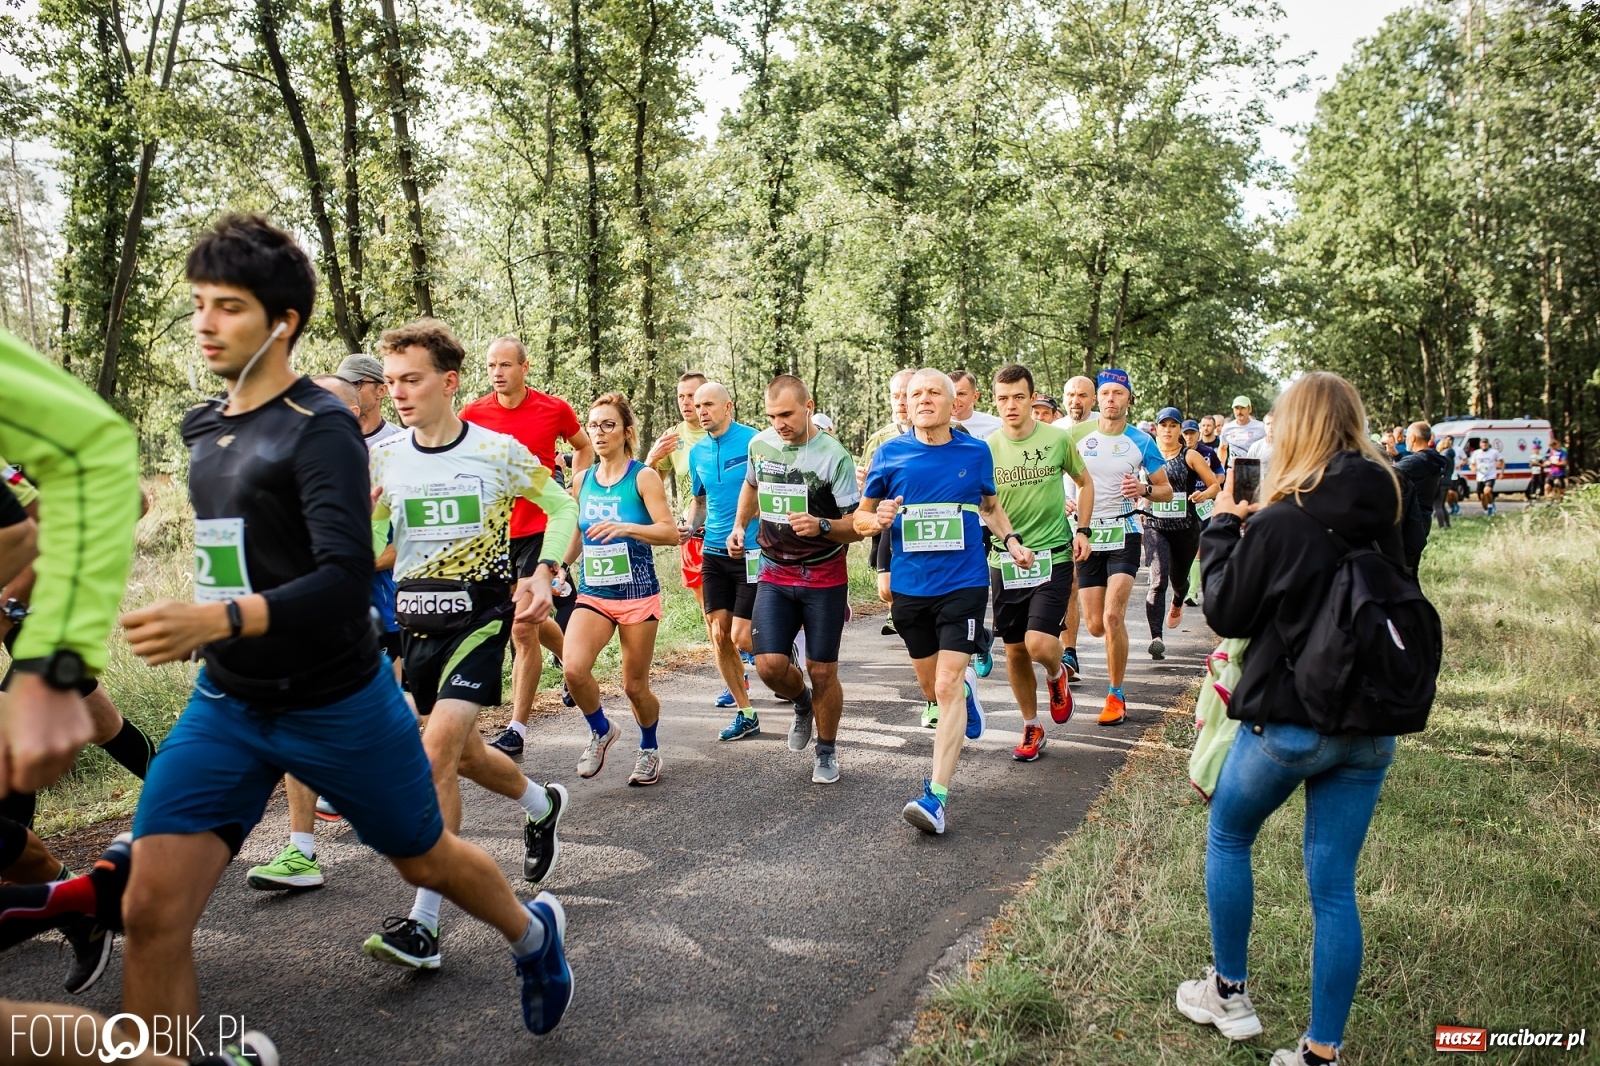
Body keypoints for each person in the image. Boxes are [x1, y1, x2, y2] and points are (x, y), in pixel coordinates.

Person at [116, 217, 573, 1040]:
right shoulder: (201, 426)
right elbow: (269, 552)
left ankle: (531, 934)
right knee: (150, 910)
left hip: (339, 693)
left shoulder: (319, 427)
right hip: (228, 697)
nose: (203, 324)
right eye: (198, 306)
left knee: (422, 847)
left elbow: (339, 581)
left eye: (227, 307)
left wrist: (541, 570)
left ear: (281, 322)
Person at [1178, 371, 1404, 1066]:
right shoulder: (1393, 502)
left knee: (1230, 835)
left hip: (1292, 721)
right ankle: (1321, 1052)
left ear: (1296, 428)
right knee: (1334, 884)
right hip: (1371, 723)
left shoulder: (1282, 517)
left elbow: (1227, 611)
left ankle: (1228, 993)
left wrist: (1223, 523)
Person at [363, 317, 577, 972]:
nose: (398, 392)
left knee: (434, 758)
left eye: (412, 379)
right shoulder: (383, 458)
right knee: (466, 757)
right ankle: (542, 805)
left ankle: (424, 925)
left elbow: (563, 507)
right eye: (392, 380)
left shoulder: (494, 450)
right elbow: (373, 548)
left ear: (448, 382)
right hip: (414, 626)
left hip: (479, 622)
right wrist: (362, 535)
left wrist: (541, 572)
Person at [242, 373, 401, 891]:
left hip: (383, 610)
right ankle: (301, 850)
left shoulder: (394, 459)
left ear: (356, 412)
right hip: (310, 619)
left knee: (395, 733)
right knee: (297, 721)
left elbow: (412, 542)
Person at [855, 369, 1030, 833]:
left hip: (964, 585)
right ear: (906, 405)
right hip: (911, 591)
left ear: (954, 404)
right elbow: (860, 519)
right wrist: (877, 520)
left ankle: (936, 797)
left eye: (935, 392)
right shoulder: (889, 455)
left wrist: (1010, 541)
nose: (924, 399)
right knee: (934, 688)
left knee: (948, 686)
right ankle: (966, 695)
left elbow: (990, 507)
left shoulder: (975, 452)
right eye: (916, 394)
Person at [459, 336, 594, 757]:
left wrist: (576, 488)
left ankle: (516, 729)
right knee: (528, 621)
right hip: (494, 534)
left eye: (505, 365)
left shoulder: (554, 409)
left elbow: (584, 446)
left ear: (524, 367)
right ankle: (570, 661)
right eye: (490, 366)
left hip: (541, 529)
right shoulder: (473, 413)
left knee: (521, 626)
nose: (497, 373)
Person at [728, 375, 864, 784]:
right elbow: (751, 487)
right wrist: (739, 526)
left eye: (786, 414)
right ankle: (801, 702)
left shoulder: (833, 456)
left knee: (822, 670)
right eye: (772, 416)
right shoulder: (760, 445)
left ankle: (826, 751)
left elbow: (856, 525)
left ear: (809, 405)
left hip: (823, 575)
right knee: (768, 665)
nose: (779, 423)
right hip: (773, 570)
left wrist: (822, 525)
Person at [559, 393, 680, 786]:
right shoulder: (582, 480)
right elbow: (579, 534)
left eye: (608, 424)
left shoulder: (642, 476)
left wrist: (627, 528)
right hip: (594, 593)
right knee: (574, 670)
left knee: (634, 686)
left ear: (627, 432)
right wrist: (560, 566)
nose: (598, 432)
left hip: (637, 594)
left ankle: (648, 749)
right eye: (593, 425)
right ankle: (601, 729)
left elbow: (669, 533)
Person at [986, 365, 1089, 762]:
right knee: (1013, 652)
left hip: (1053, 554)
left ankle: (1055, 673)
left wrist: (1083, 530)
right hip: (1006, 559)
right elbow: (985, 504)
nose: (1010, 405)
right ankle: (1031, 724)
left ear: (1032, 399)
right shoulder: (988, 448)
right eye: (1003, 398)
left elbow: (1085, 483)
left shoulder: (1057, 439)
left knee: (1038, 644)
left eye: (1018, 397)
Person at [1067, 368, 1173, 726]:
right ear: (1097, 399)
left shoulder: (1142, 442)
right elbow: (1059, 476)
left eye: (1119, 393)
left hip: (1124, 531)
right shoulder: (1077, 435)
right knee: (1096, 625)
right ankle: (1111, 677)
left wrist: (1143, 490)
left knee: (1114, 616)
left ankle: (1115, 693)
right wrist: (1064, 501)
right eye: (1106, 393)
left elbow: (1166, 490)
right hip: (1086, 534)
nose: (1111, 399)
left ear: (1129, 399)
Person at [688, 382, 764, 740]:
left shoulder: (754, 442)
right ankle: (746, 712)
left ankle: (784, 663)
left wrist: (744, 526)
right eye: (696, 404)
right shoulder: (698, 452)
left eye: (708, 404)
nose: (701, 410)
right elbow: (700, 501)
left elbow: (772, 494)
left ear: (728, 407)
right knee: (720, 635)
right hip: (714, 553)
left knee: (743, 637)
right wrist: (688, 526)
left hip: (752, 550)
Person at [1144, 407, 1221, 659]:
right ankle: (1156, 638)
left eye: (1173, 425)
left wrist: (1204, 494)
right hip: (1155, 526)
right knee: (1157, 580)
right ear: (1157, 428)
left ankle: (1178, 600)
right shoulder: (1146, 453)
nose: (1168, 430)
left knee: (1178, 581)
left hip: (1186, 528)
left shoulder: (1190, 456)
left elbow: (1214, 485)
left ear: (1179, 430)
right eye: (1163, 425)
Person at [646, 371, 710, 603]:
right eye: (680, 396)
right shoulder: (672, 436)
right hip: (692, 531)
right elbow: (649, 486)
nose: (685, 402)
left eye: (691, 395)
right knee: (707, 608)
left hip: (726, 529)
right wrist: (652, 459)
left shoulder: (722, 432)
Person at [860, 370, 914, 635]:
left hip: (929, 521)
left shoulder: (947, 432)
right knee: (886, 589)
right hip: (891, 522)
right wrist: (861, 481)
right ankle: (899, 613)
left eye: (906, 395)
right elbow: (863, 486)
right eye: (896, 396)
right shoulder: (880, 439)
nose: (901, 401)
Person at [1057, 374, 1096, 680]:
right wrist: (1059, 499)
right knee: (1069, 584)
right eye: (1070, 395)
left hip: (1103, 520)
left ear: (1092, 400)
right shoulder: (1052, 431)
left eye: (1082, 395)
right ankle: (1069, 652)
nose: (1075, 401)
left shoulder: (1104, 428)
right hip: (1062, 520)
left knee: (1099, 612)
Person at [1395, 422, 1452, 574]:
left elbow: (1389, 473)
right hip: (1423, 518)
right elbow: (1413, 466)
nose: (1405, 439)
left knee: (1405, 572)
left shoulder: (1415, 462)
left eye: (1407, 437)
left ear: (1413, 438)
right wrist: (1397, 456)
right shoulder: (1432, 459)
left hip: (1411, 521)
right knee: (1412, 569)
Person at [334, 352, 404, 447]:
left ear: (381, 391)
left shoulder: (401, 442)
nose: (347, 391)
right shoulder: (327, 442)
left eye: (356, 383)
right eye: (343, 384)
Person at [950, 369, 1004, 439]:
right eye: (951, 394)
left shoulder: (996, 426)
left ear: (975, 397)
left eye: (961, 394)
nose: (955, 399)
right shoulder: (934, 427)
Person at [1471, 438, 1503, 514]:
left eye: (1485, 443)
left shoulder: (1493, 452)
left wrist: (1502, 472)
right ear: (1480, 444)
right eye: (1483, 443)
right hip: (1480, 477)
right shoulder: (1476, 453)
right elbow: (1472, 463)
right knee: (1482, 497)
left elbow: (1502, 461)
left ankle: (1491, 504)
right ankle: (1486, 510)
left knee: (1487, 491)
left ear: (1488, 444)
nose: (1484, 445)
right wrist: (1473, 468)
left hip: (1490, 475)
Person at [1432, 435, 1457, 528]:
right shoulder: (1451, 455)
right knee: (1442, 505)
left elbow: (1442, 470)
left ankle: (1441, 526)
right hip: (1448, 481)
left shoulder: (1444, 455)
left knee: (1437, 505)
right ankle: (1448, 524)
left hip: (1441, 481)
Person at [1546, 437, 1568, 502]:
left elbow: (1564, 463)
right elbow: (1549, 460)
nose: (1552, 448)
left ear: (1556, 445)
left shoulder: (1562, 452)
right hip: (1552, 472)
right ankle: (1548, 501)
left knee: (1560, 488)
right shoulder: (1551, 452)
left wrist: (1556, 463)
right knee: (1547, 487)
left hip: (1560, 473)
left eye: (1552, 446)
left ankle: (1561, 501)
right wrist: (1548, 463)